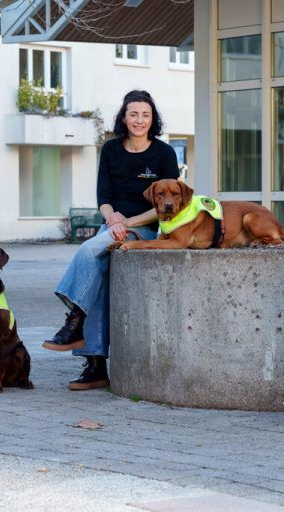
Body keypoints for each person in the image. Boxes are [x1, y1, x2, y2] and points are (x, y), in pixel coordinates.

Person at [42, 90, 179, 390]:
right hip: (113, 225)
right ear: (124, 117)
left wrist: (127, 223)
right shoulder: (111, 149)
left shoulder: (164, 154)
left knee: (90, 249)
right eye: (133, 114)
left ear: (153, 118)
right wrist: (112, 219)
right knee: (99, 277)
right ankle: (95, 366)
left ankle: (75, 318)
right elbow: (104, 197)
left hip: (144, 229)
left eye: (145, 114)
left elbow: (168, 205)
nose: (139, 120)